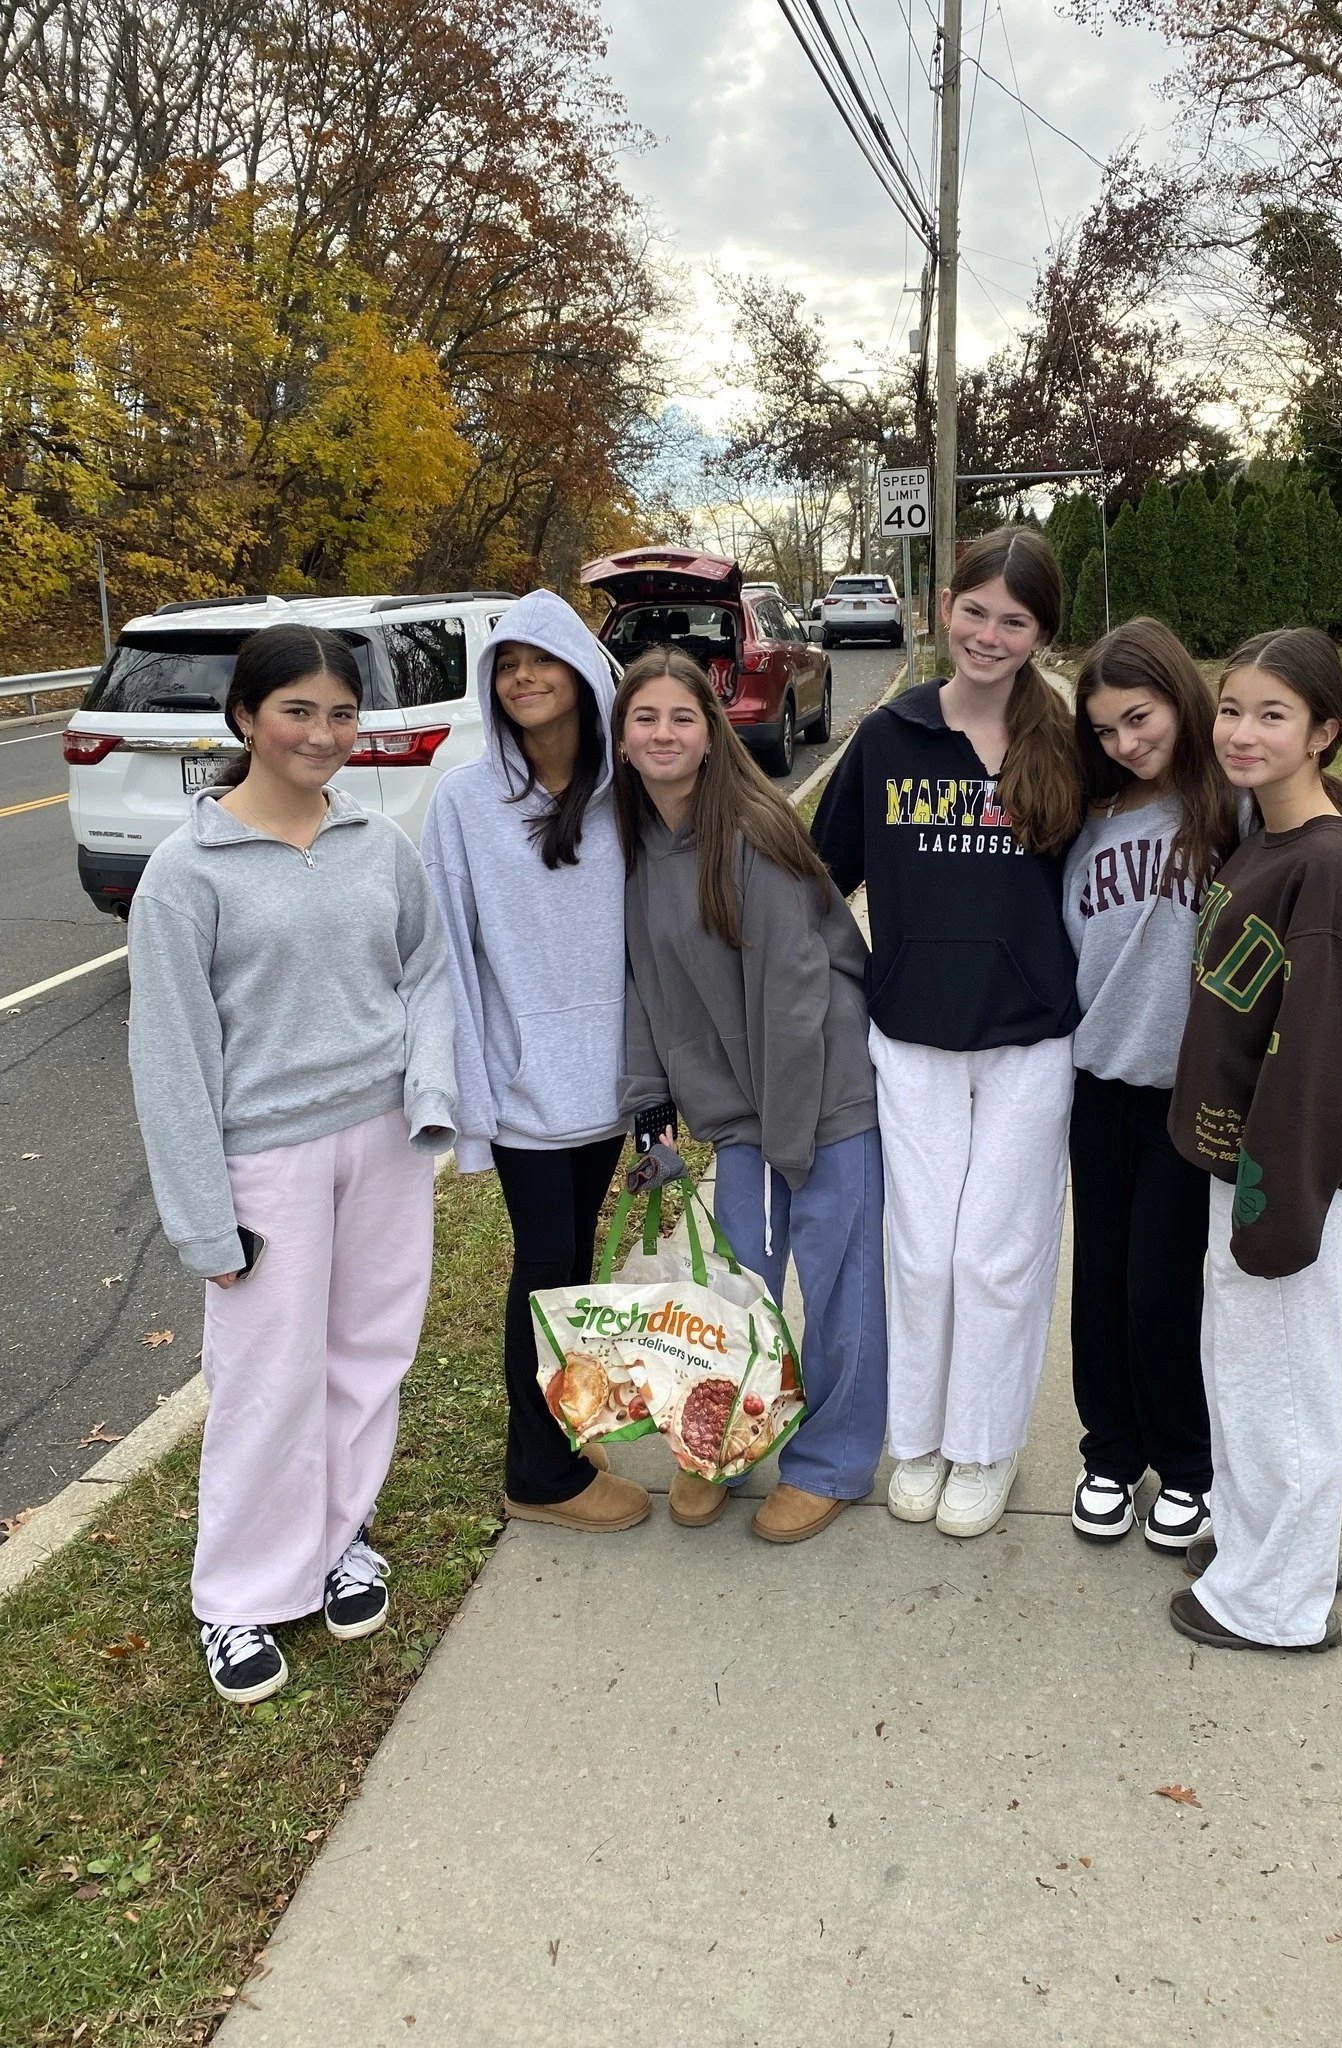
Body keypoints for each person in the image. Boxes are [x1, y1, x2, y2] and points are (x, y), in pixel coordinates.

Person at [127, 624, 458, 1705]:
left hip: (381, 1145)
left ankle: (336, 1542)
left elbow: (429, 974)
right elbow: (171, 1054)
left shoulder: (378, 843)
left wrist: (430, 1096)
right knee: (267, 1379)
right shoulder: (186, 874)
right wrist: (200, 1219)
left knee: (367, 1354)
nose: (323, 734)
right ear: (245, 718)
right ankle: (235, 1595)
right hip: (263, 1156)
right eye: (298, 710)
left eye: (341, 713)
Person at [1064, 620, 1342, 1553]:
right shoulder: (1086, 807)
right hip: (1098, 1083)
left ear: (1182, 704)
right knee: (1098, 1282)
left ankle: (1188, 1466)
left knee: (1163, 1290)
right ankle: (1108, 1454)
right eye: (1104, 729)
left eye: (1140, 718)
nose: (1127, 743)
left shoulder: (1234, 799)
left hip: (1192, 1091)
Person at [812, 527, 1082, 1539]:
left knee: (993, 1258)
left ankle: (985, 1443)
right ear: (942, 605)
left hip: (1030, 1037)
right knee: (923, 1256)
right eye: (976, 609)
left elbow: (1176, 825)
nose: (990, 632)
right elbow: (814, 875)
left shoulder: (1070, 742)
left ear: (1040, 632)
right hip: (911, 1035)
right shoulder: (889, 738)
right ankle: (917, 1435)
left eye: (1015, 619)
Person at [1167, 626, 1342, 1651]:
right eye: (1231, 708)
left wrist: (1281, 1210)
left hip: (1292, 1173)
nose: (1241, 730)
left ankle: (1278, 1600)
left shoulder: (1320, 868)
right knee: (1240, 1369)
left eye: (1272, 714)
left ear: (1323, 730)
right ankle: (1255, 1540)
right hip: (1250, 1163)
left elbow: (1321, 1057)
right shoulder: (1276, 834)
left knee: (1286, 1387)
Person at [615, 646, 887, 1543]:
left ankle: (833, 1462)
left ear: (712, 731)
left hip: (820, 1095)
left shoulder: (755, 831)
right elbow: (643, 984)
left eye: (682, 717)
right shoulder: (633, 844)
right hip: (740, 1112)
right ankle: (722, 1444)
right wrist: (651, 1101)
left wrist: (790, 1137)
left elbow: (796, 990)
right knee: (735, 1289)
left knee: (839, 1287)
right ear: (620, 736)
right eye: (645, 716)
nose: (663, 732)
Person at [422, 590, 650, 1535]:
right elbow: (444, 949)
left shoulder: (627, 790)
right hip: (520, 1085)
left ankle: (566, 1424)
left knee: (578, 1263)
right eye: (506, 664)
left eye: (540, 660)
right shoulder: (466, 801)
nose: (521, 677)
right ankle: (539, 1476)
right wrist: (467, 1089)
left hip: (608, 1082)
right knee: (545, 1265)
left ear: (581, 673)